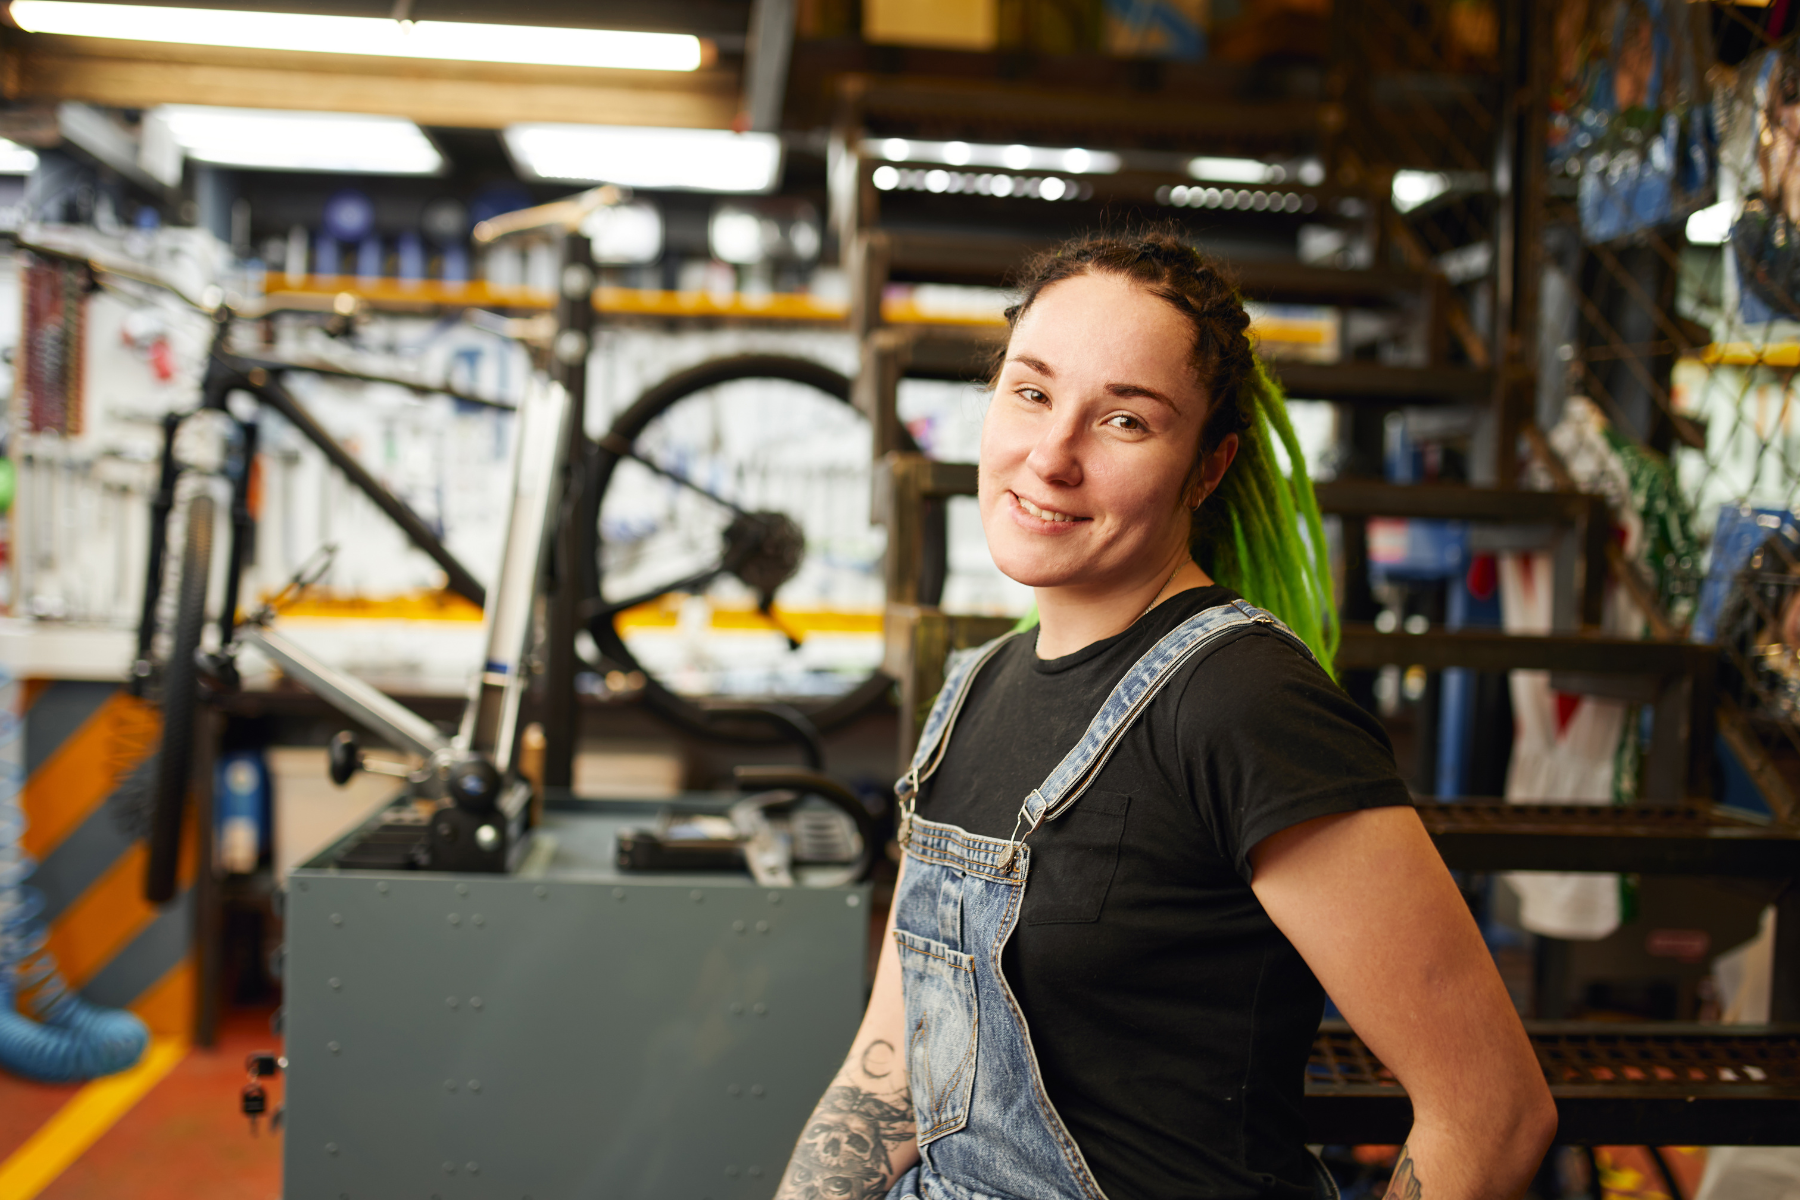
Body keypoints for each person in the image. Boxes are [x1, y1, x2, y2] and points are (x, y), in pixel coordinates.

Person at [774, 231, 1556, 1200]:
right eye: (1031, 392)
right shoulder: (970, 691)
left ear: (1208, 466)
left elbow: (1491, 1111)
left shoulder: (1245, 705)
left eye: (1126, 422)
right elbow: (884, 1076)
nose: (1052, 455)